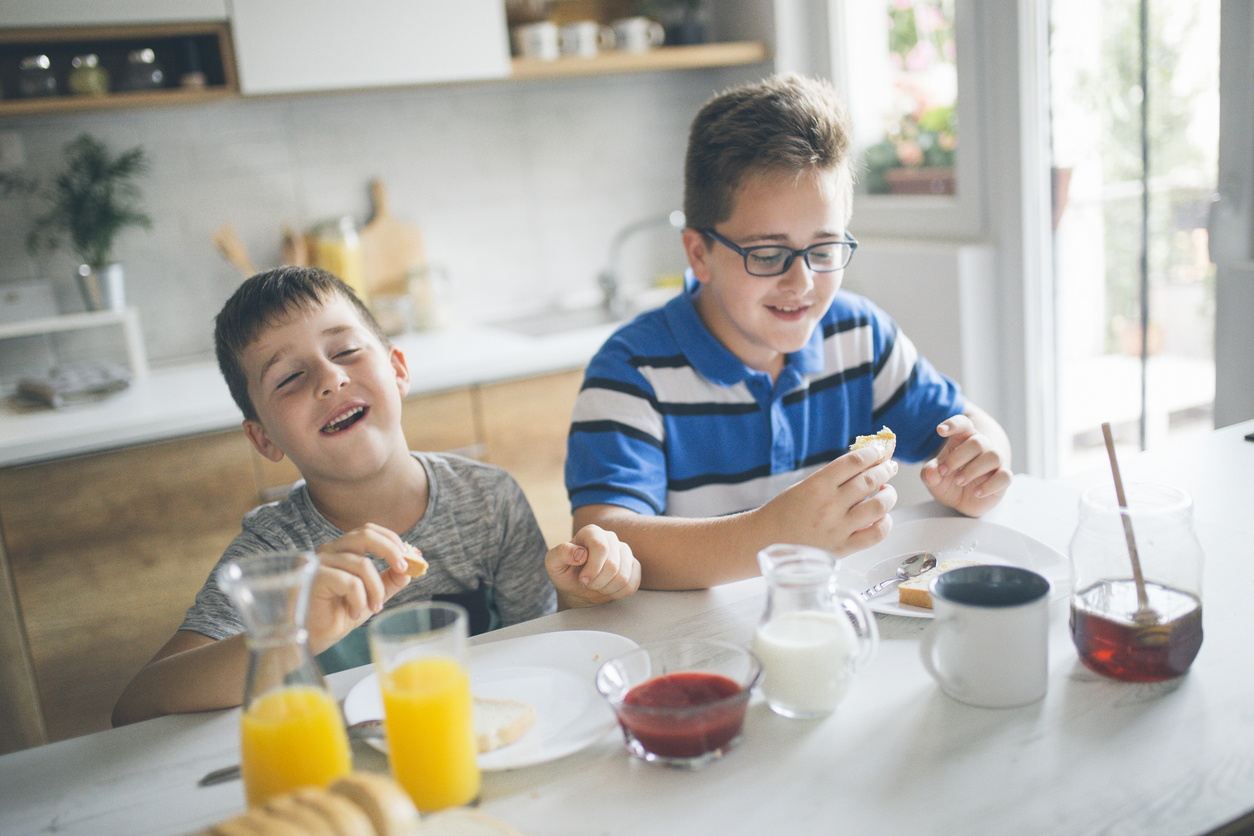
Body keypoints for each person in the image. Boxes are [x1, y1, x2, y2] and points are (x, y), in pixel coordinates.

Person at [114, 266, 639, 726]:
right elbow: (137, 707)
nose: (330, 378)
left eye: (345, 351)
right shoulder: (272, 555)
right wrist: (293, 628)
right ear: (264, 439)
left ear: (398, 370)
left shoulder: (488, 500)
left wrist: (579, 591)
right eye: (290, 378)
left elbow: (543, 648)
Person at [565, 74, 1013, 591]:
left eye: (823, 250)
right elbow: (604, 538)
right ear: (698, 253)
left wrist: (980, 464)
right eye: (768, 254)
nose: (801, 282)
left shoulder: (860, 336)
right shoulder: (632, 371)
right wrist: (773, 535)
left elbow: (966, 426)